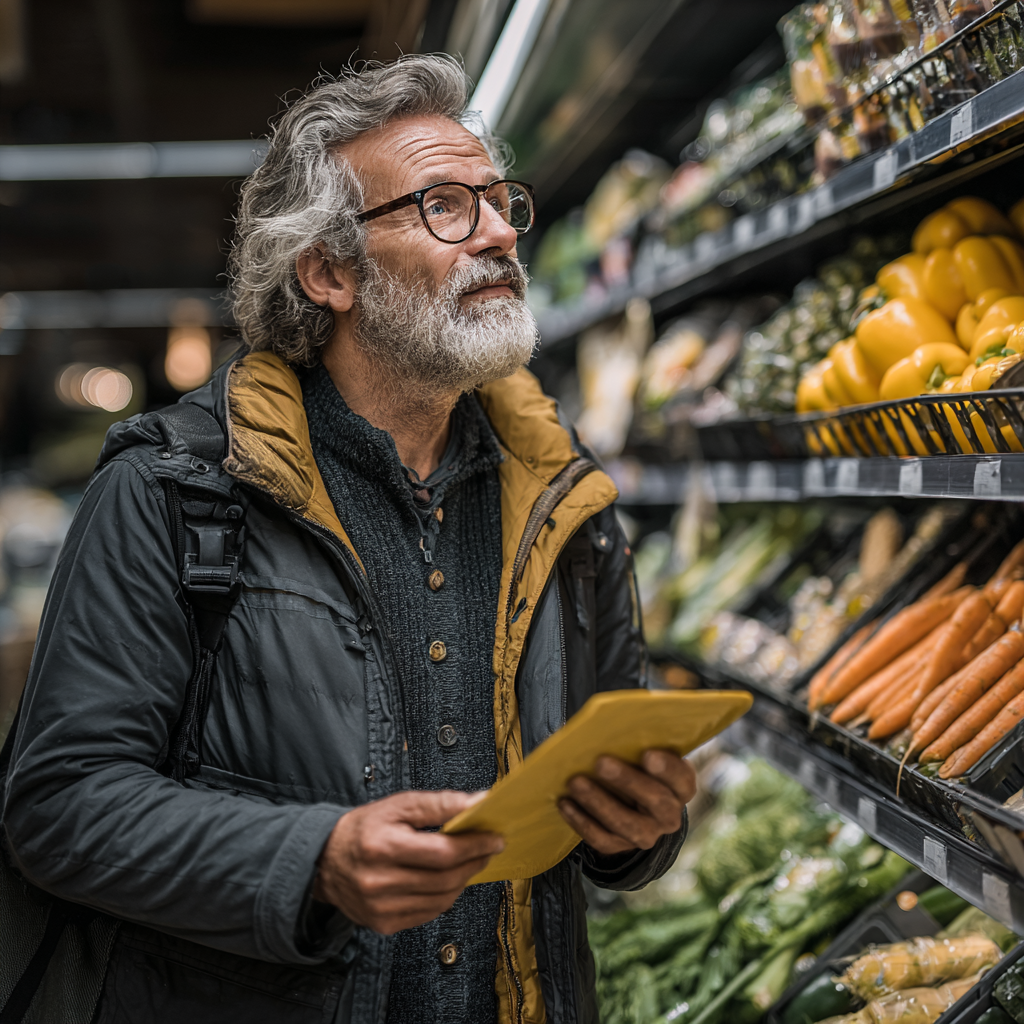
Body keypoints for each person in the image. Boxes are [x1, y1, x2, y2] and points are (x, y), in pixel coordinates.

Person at [2, 54, 695, 1024]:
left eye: (500, 202)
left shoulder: (566, 503)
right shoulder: (171, 491)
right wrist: (311, 860)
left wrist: (637, 830)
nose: (499, 233)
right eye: (445, 206)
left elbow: (611, 777)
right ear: (328, 271)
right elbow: (60, 803)